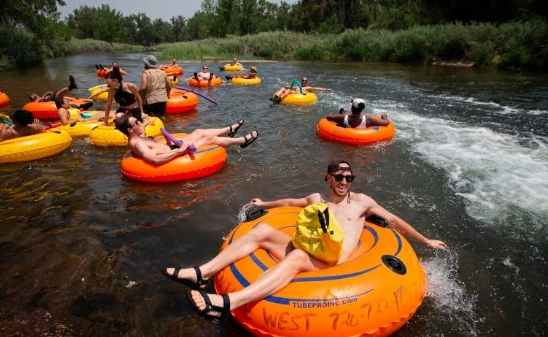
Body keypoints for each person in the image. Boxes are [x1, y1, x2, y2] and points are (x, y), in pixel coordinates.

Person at [163, 160, 447, 319]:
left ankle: (228, 303)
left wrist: (425, 241)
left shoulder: (362, 202)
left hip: (336, 260)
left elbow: (395, 220)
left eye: (348, 176)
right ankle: (203, 273)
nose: (345, 181)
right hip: (314, 249)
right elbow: (289, 201)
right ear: (328, 177)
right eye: (339, 175)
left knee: (297, 256)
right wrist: (265, 202)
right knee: (261, 232)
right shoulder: (316, 198)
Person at [114, 114, 259, 165]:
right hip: (176, 152)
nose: (139, 123)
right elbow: (154, 160)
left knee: (199, 131)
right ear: (129, 129)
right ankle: (242, 141)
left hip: (171, 147)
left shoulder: (136, 136)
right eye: (136, 123)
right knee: (210, 139)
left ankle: (230, 129)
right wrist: (179, 151)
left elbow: (152, 146)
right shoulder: (137, 143)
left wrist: (167, 141)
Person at [325, 98, 391, 128]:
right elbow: (387, 123)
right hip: (362, 121)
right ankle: (343, 111)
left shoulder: (342, 118)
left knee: (345, 112)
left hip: (346, 118)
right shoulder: (369, 120)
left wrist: (331, 114)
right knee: (349, 113)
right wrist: (384, 116)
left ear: (352, 107)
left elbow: (328, 117)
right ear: (362, 109)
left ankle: (342, 111)